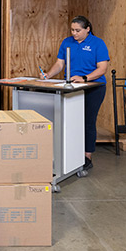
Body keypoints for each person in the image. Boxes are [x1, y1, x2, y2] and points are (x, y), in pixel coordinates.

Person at [41, 15, 109, 172]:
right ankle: (69, 154)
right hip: (72, 87)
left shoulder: (98, 43)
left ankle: (87, 157)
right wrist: (48, 75)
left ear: (87, 29)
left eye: (78, 30)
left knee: (88, 121)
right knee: (69, 121)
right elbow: (59, 63)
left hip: (93, 87)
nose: (74, 33)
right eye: (72, 30)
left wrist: (84, 78)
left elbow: (102, 69)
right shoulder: (67, 42)